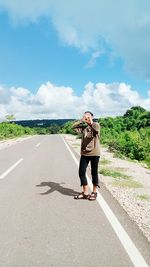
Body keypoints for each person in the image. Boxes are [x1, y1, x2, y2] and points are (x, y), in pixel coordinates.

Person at [72, 111, 100, 201]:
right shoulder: (83, 127)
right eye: (85, 116)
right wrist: (81, 120)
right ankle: (85, 192)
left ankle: (94, 192)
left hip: (94, 153)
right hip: (84, 153)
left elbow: (95, 130)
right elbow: (73, 127)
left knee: (94, 172)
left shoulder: (96, 124)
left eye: (88, 116)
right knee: (81, 172)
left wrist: (90, 121)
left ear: (92, 116)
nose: (87, 117)